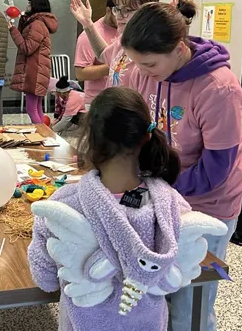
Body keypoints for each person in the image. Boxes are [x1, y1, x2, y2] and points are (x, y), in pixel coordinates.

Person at [119, 1, 242, 331]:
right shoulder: (139, 73)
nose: (140, 71)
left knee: (193, 302)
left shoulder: (219, 87)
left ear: (178, 49)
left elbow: (216, 170)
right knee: (156, 290)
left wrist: (159, 188)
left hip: (210, 208)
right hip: (159, 195)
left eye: (148, 63)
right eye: (135, 62)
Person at [29, 87, 192, 330]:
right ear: (146, 137)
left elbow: (45, 279)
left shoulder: (64, 206)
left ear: (90, 139)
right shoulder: (172, 206)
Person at [70, 0, 158, 90]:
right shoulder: (124, 40)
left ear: (147, 11)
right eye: (117, 9)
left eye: (126, 10)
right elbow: (103, 54)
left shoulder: (155, 50)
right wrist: (88, 24)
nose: (119, 16)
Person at [8, 0, 58, 124]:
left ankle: (42, 136)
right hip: (38, 70)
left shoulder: (37, 24)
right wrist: (23, 20)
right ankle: (46, 136)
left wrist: (12, 30)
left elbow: (27, 48)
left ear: (36, 5)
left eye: (29, 3)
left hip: (33, 71)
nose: (26, 5)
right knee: (37, 108)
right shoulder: (38, 22)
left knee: (31, 109)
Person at [74, 0, 118, 110]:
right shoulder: (90, 34)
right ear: (109, 10)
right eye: (118, 11)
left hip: (122, 100)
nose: (122, 17)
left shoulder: (127, 31)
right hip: (98, 102)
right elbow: (81, 73)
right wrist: (117, 65)